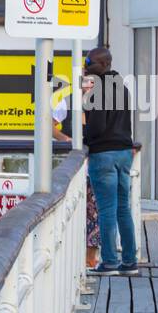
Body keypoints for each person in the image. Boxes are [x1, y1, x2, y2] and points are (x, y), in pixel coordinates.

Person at [84, 47, 139, 277]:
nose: (86, 67)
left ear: (104, 64)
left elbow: (96, 128)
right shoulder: (123, 89)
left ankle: (108, 262)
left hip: (103, 154)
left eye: (90, 63)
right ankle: (129, 262)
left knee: (106, 210)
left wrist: (82, 139)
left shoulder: (98, 91)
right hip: (124, 153)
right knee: (123, 209)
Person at [53, 72, 100, 269]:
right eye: (85, 82)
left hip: (96, 165)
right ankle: (68, 257)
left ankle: (91, 258)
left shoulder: (104, 105)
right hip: (73, 168)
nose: (88, 86)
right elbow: (49, 125)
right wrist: (65, 140)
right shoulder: (67, 102)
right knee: (70, 211)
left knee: (95, 213)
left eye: (92, 83)